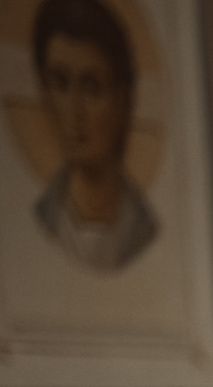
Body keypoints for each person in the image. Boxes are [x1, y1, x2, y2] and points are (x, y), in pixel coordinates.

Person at [30, 0, 157, 273]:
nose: (74, 111)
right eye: (60, 84)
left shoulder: (145, 228)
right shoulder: (42, 219)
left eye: (91, 87)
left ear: (122, 100)